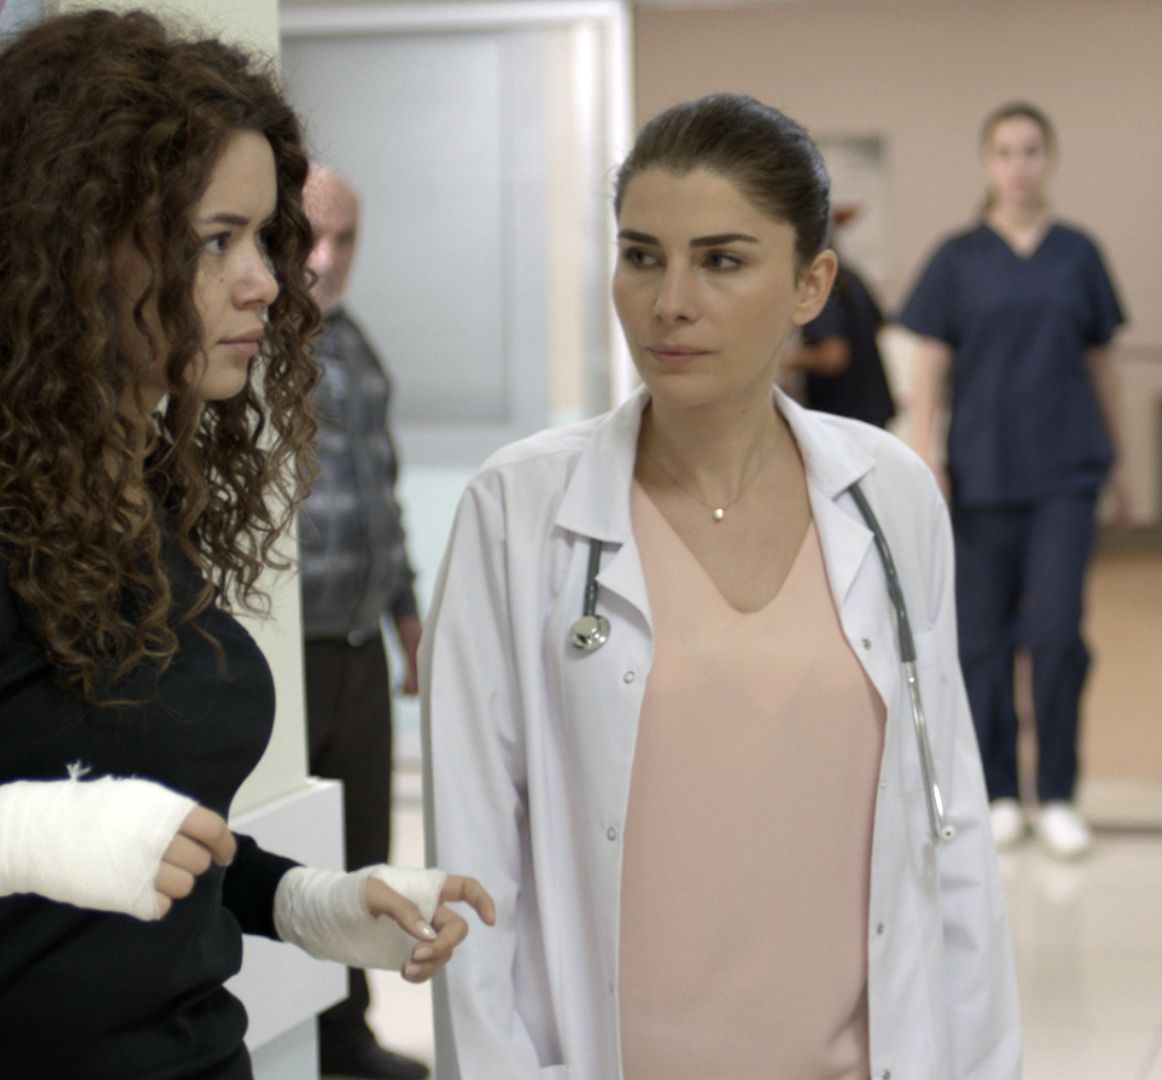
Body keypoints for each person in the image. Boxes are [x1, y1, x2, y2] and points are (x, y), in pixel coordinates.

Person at [0, 12, 492, 1079]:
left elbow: (137, 831)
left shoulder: (138, 490)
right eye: (215, 240)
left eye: (262, 239)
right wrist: (6, 840)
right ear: (72, 245)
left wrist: (301, 901)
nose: (265, 282)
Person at [422, 93, 1020, 1080]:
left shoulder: (891, 497)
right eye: (642, 256)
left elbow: (947, 828)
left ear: (811, 283)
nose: (671, 302)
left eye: (722, 260)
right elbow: (473, 872)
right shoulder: (517, 510)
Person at [899, 102, 1128, 858]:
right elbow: (930, 368)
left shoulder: (1078, 254)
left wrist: (1122, 462)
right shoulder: (957, 257)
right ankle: (998, 792)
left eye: (1031, 150)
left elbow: (1103, 366)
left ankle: (1057, 794)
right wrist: (926, 456)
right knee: (981, 644)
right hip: (981, 476)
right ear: (986, 163)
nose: (1018, 165)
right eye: (1004, 152)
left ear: (1048, 159)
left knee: (1057, 635)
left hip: (1066, 472)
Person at [296, 164, 432, 1080]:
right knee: (291, 862)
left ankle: (347, 1039)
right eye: (310, 235)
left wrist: (407, 616)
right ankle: (297, 1044)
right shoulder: (247, 346)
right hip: (286, 651)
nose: (327, 258)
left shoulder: (355, 346)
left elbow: (381, 495)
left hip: (357, 646)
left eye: (345, 238)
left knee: (361, 852)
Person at [783, 203, 897, 428]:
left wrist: (788, 360)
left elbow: (834, 355)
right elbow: (880, 324)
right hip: (873, 408)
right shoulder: (853, 277)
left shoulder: (818, 287)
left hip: (842, 415)